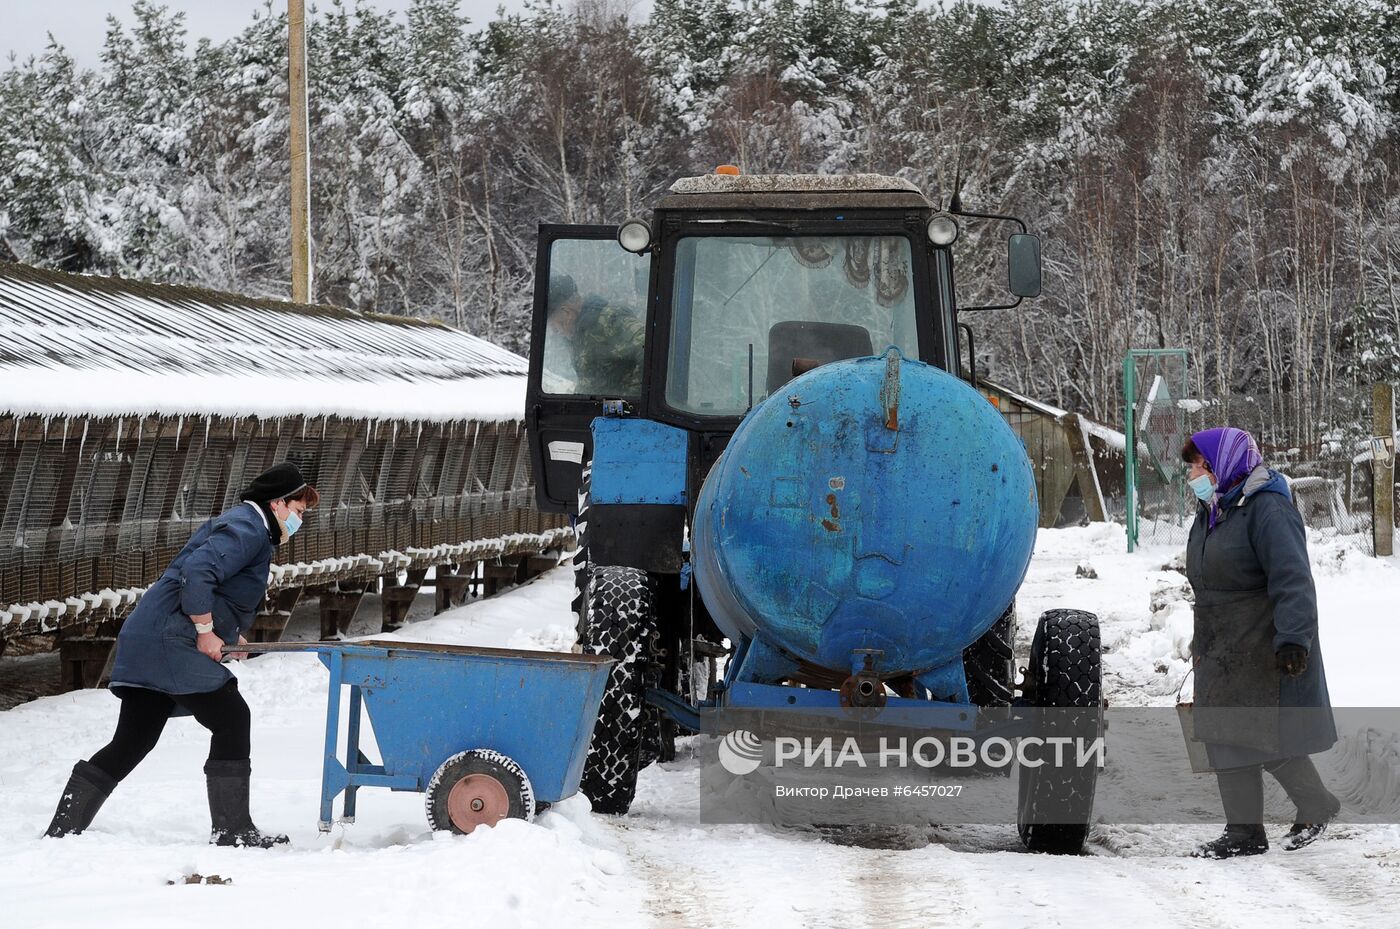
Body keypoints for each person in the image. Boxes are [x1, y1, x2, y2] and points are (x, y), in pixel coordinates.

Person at [44, 462, 320, 847]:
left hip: (152, 635)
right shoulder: (249, 528)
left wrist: (228, 634)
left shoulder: (248, 526)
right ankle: (232, 830)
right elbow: (198, 571)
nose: (299, 520)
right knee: (232, 717)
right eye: (299, 511)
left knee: (134, 739)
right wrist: (206, 632)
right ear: (277, 503)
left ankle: (63, 829)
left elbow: (217, 586)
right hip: (168, 640)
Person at [1182, 427, 1340, 859]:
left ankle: (1292, 814)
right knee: (1227, 732)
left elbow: (1292, 578)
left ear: (1222, 465)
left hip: (1259, 637)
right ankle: (1253, 829)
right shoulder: (1215, 509)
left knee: (1257, 733)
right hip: (1222, 640)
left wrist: (1293, 638)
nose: (1192, 474)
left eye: (1198, 465)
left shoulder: (1267, 508)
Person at [546, 273, 645, 396]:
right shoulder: (580, 333)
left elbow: (650, 349)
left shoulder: (610, 321)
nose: (555, 332)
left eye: (554, 325)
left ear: (567, 313)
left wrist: (630, 398)